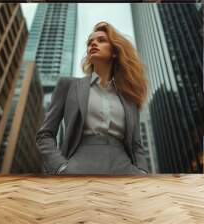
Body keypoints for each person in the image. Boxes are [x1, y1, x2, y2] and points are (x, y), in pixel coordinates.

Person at [36, 21, 149, 175]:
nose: (93, 44)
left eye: (101, 40)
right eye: (90, 42)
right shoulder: (69, 86)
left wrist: (142, 172)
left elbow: (137, 145)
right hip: (79, 166)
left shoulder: (129, 97)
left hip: (125, 170)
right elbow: (45, 134)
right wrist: (60, 167)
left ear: (115, 52)